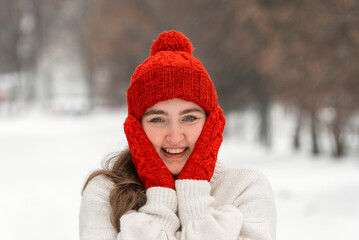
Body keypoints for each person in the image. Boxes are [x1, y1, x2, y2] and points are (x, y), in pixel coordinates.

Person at [79, 30, 276, 240]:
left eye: (189, 118)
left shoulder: (245, 188)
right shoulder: (105, 193)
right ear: (136, 129)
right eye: (158, 119)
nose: (174, 137)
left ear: (211, 124)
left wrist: (194, 193)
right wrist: (160, 194)